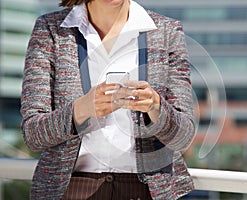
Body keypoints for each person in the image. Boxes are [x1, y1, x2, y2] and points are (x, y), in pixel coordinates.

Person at [20, 0, 195, 199]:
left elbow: (184, 136)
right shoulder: (50, 30)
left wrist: (156, 108)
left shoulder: (167, 32)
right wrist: (81, 110)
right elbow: (32, 134)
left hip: (146, 191)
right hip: (72, 189)